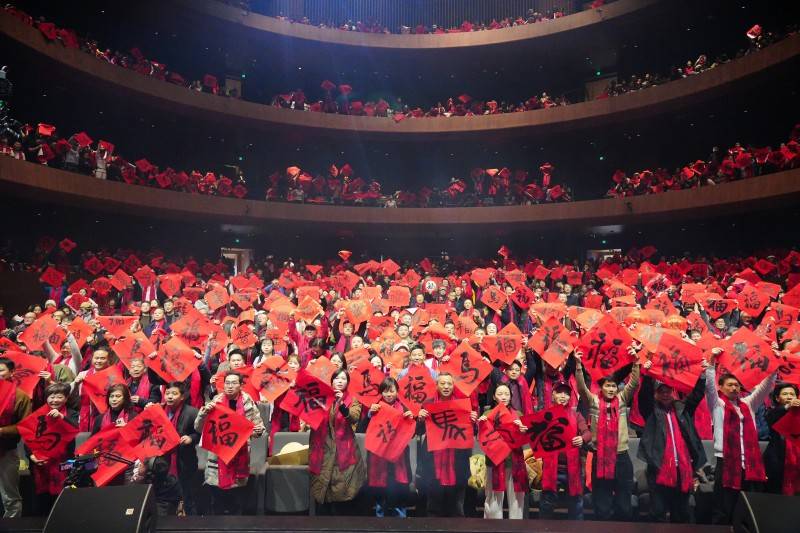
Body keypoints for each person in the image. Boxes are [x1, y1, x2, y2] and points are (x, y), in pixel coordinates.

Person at [574, 348, 645, 521]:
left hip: (621, 457)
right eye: (608, 386)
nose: (611, 389)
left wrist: (636, 362)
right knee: (602, 503)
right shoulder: (593, 401)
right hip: (600, 456)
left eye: (613, 386)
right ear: (602, 387)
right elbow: (581, 388)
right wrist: (578, 365)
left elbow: (634, 383)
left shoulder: (621, 400)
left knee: (623, 504)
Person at [705, 361, 776, 524]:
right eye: (730, 385)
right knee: (724, 505)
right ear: (721, 387)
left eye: (736, 385)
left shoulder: (748, 404)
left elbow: (764, 388)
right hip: (726, 460)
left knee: (746, 505)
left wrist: (773, 367)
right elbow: (709, 388)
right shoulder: (717, 405)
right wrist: (710, 365)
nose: (734, 388)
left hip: (749, 462)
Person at [637, 372, 707, 523]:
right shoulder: (651, 411)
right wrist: (647, 376)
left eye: (668, 391)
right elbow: (644, 397)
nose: (665, 394)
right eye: (661, 392)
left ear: (673, 393)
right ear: (656, 394)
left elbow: (696, 396)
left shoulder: (682, 409)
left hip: (681, 469)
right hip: (658, 468)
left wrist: (702, 375)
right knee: (658, 511)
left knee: (681, 512)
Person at [194, 371, 265, 515]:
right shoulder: (215, 403)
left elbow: (259, 428)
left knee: (237, 503)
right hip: (217, 456)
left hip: (239, 455)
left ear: (241, 385)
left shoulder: (248, 403)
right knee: (217, 502)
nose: (230, 386)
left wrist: (258, 430)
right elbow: (198, 428)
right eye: (227, 383)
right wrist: (204, 413)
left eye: (234, 383)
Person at [418, 372, 477, 517]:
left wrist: (472, 420)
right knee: (434, 505)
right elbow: (418, 432)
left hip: (457, 461)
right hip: (433, 461)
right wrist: (420, 419)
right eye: (443, 383)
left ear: (453, 386)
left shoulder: (462, 405)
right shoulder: (428, 404)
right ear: (437, 385)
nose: (446, 386)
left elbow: (470, 433)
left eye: (449, 384)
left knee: (456, 507)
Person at [309, 369, 366, 514]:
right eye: (337, 378)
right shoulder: (321, 396)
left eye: (343, 379)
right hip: (323, 447)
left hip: (344, 449)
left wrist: (342, 405)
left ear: (348, 382)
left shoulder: (353, 399)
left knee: (342, 490)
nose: (340, 381)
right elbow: (310, 413)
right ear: (332, 381)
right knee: (322, 487)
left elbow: (354, 417)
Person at [539, 380, 591, 520]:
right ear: (553, 395)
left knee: (576, 502)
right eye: (559, 393)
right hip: (551, 467)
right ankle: (544, 528)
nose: (563, 396)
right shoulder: (545, 415)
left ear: (570, 397)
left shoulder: (576, 415)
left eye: (566, 393)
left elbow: (587, 433)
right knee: (547, 503)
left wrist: (582, 439)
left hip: (571, 467)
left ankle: (576, 528)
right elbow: (535, 436)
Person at [365, 377, 413, 517]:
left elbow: (410, 433)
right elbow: (365, 428)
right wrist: (370, 413)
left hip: (398, 457)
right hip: (378, 457)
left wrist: (410, 420)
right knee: (380, 492)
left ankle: (400, 520)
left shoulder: (404, 408)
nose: (388, 394)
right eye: (385, 391)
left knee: (398, 490)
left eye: (392, 391)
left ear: (397, 392)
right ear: (381, 392)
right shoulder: (376, 407)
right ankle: (380, 519)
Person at [480, 382, 528, 519]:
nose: (504, 397)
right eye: (500, 394)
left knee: (517, 499)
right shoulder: (487, 414)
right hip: (494, 462)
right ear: (494, 397)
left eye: (507, 394)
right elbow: (482, 439)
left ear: (511, 396)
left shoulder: (518, 414)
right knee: (493, 499)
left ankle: (516, 527)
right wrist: (481, 425)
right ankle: (493, 527)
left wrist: (523, 430)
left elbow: (525, 438)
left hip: (515, 462)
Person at [28, 383, 79, 513]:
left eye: (59, 397)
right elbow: (28, 438)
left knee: (62, 496)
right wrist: (31, 456)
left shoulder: (72, 414)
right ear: (46, 398)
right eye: (51, 397)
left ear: (66, 399)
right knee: (42, 499)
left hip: (64, 462)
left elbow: (75, 429)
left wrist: (62, 417)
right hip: (42, 463)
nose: (55, 400)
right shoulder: (38, 414)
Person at [162, 382, 200, 515]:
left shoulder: (192, 412)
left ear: (182, 396)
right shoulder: (159, 411)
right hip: (163, 461)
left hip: (185, 461)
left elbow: (201, 434)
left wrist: (191, 438)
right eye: (167, 393)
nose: (170, 397)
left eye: (174, 394)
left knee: (188, 497)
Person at [0, 357, 32, 517]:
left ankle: (11, 526)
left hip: (7, 451)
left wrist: (2, 431)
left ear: (12, 372)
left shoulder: (20, 397)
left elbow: (25, 426)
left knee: (10, 496)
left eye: (1, 370)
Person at [763, 382, 800, 495]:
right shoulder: (772, 412)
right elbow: (771, 418)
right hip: (778, 459)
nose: (789, 397)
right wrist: (787, 407)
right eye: (785, 394)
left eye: (792, 394)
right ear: (777, 398)